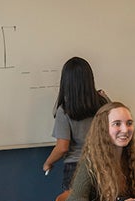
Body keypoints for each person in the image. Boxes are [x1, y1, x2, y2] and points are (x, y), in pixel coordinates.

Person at [42, 57, 110, 190]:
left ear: (66, 82)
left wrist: (48, 163)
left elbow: (62, 147)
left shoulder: (65, 110)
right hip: (103, 164)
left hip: (76, 168)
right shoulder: (103, 102)